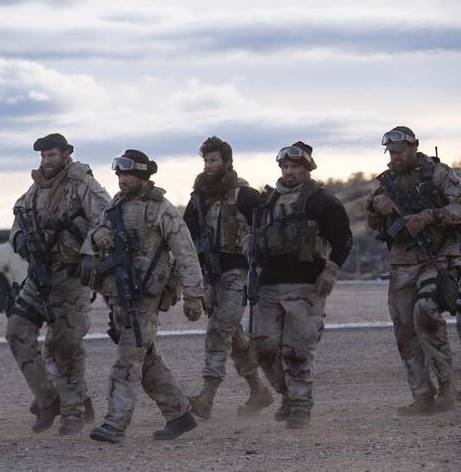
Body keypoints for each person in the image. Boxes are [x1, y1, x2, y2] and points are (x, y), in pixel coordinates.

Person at [85, 149, 205, 443]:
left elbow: (186, 253)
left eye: (127, 175)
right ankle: (179, 415)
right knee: (147, 359)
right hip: (119, 294)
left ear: (142, 176)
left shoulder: (162, 210)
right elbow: (94, 233)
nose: (121, 180)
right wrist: (99, 236)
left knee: (128, 359)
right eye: (119, 175)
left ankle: (115, 423)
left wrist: (194, 295)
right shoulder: (116, 204)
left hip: (146, 298)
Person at [7, 133, 111, 435]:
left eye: (52, 155)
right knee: (17, 332)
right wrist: (20, 240)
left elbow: (107, 220)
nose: (47, 161)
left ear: (66, 155)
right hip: (40, 275)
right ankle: (48, 399)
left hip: (71, 276)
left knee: (66, 346)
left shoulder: (83, 185)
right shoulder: (36, 188)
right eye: (43, 156)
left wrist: (90, 254)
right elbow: (18, 220)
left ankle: (73, 415)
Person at [250, 142, 352, 429]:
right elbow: (257, 236)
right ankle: (288, 395)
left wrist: (331, 271)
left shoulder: (322, 201)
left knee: (298, 350)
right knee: (262, 346)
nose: (289, 171)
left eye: (295, 166)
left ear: (307, 169)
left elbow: (343, 240)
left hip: (306, 285)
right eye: (285, 166)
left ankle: (300, 408)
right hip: (269, 284)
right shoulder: (268, 201)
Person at [366, 126, 461, 415]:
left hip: (437, 257)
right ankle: (422, 395)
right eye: (391, 152)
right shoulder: (387, 182)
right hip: (402, 263)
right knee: (404, 329)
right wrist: (376, 204)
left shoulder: (439, 174)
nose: (394, 156)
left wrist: (431, 215)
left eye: (399, 150)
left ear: (414, 146)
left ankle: (447, 388)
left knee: (426, 313)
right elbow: (373, 223)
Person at [182, 136, 273, 419]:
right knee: (234, 337)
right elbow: (185, 237)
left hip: (238, 275)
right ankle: (259, 390)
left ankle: (207, 397)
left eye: (214, 160)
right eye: (206, 160)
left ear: (227, 162)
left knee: (219, 331)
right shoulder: (198, 198)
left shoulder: (243, 195)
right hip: (211, 277)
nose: (208, 165)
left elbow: (268, 229)